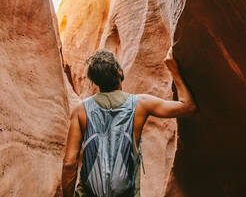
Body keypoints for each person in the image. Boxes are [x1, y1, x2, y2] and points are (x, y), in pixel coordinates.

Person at [61, 49, 196, 197]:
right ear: (119, 72)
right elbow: (188, 106)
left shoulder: (81, 111)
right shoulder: (141, 103)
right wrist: (174, 70)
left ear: (95, 81)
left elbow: (69, 163)